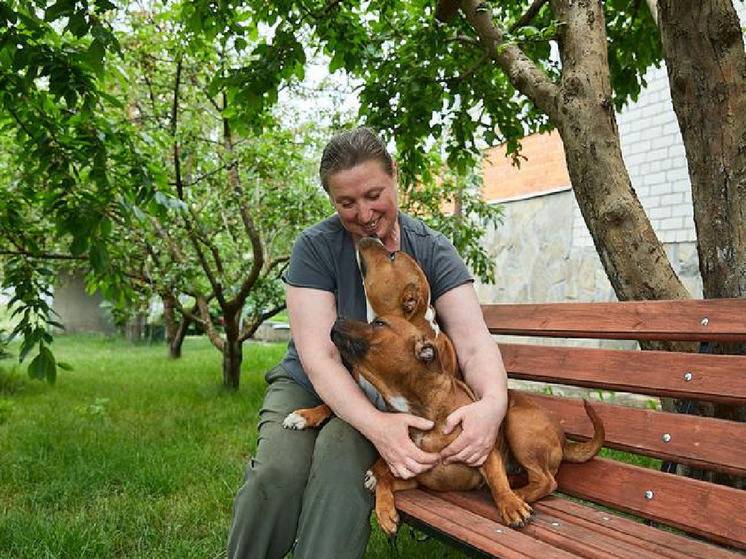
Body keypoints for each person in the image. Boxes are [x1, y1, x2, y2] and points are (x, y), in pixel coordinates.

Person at [227, 127, 509, 559]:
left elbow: (474, 344)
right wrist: (377, 428)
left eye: (374, 194)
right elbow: (319, 357)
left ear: (394, 175)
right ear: (331, 201)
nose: (363, 213)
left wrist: (492, 405)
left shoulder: (431, 249)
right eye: (346, 203)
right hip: (311, 384)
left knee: (342, 460)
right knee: (277, 471)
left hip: (395, 397)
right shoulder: (316, 248)